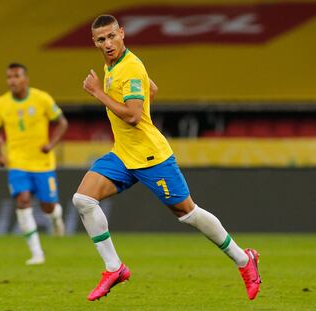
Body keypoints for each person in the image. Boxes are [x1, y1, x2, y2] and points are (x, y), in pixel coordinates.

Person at [72, 15, 261, 301]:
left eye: (112, 36)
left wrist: (98, 93)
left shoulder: (130, 67)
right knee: (83, 200)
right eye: (101, 39)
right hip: (124, 154)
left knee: (188, 213)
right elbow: (152, 89)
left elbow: (134, 116)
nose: (108, 44)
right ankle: (114, 268)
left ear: (122, 33)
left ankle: (244, 260)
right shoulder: (114, 65)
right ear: (95, 42)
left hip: (150, 156)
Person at [0, 63, 68, 265]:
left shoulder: (42, 99)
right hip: (17, 163)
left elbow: (62, 122)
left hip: (43, 163)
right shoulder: (0, 104)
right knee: (22, 200)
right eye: (9, 77)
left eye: (16, 76)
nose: (12, 81)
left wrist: (51, 144)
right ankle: (36, 253)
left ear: (25, 79)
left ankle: (56, 218)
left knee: (48, 207)